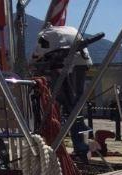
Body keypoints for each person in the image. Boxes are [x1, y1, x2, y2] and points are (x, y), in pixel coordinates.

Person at [30, 24, 93, 160]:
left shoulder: (46, 34)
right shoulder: (69, 30)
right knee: (75, 107)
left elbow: (36, 56)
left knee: (66, 106)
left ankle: (68, 147)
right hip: (81, 62)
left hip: (63, 65)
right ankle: (81, 147)